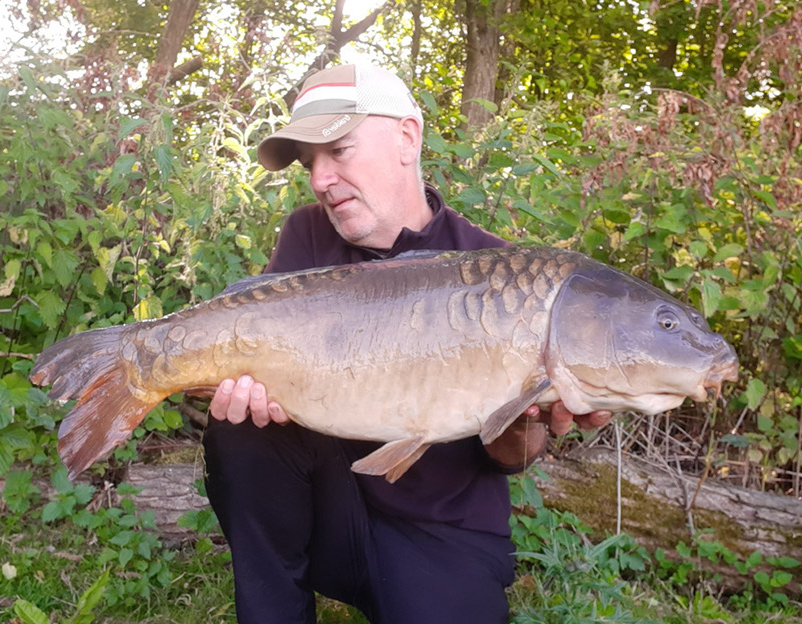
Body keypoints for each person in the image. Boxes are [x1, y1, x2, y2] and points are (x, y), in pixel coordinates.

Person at [202, 63, 611, 624]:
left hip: (442, 533)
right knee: (242, 425)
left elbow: (512, 459)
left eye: (338, 150)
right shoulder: (306, 235)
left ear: (407, 137)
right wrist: (227, 393)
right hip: (333, 509)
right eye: (310, 163)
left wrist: (525, 419)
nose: (320, 179)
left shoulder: (501, 272)